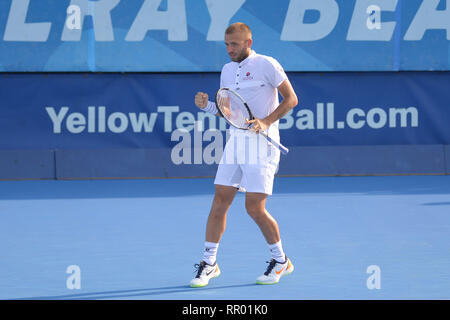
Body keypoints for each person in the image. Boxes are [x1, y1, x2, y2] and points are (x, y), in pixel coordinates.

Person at [190, 22, 298, 287]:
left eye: (234, 44)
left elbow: (291, 99)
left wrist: (266, 120)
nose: (229, 49)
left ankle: (281, 260)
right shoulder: (227, 71)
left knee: (254, 208)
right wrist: (207, 108)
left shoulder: (267, 64)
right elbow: (228, 112)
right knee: (219, 201)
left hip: (262, 145)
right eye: (226, 45)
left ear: (248, 43)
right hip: (234, 142)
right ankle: (210, 263)